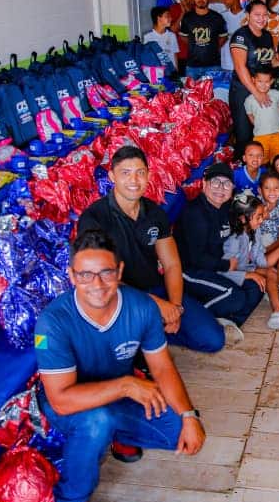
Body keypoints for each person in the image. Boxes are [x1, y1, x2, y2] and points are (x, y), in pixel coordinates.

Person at [36, 229, 204, 502]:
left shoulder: (140, 306)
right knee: (96, 421)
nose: (97, 285)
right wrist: (128, 385)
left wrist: (189, 414)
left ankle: (118, 433)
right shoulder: (53, 321)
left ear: (120, 272)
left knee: (175, 431)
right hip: (72, 403)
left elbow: (163, 366)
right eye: (85, 274)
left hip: (115, 389)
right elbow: (61, 400)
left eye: (106, 273)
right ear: (71, 276)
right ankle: (72, 500)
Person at [78, 146, 225, 354]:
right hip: (119, 298)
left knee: (213, 339)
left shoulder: (154, 213)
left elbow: (172, 264)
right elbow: (100, 280)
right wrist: (157, 305)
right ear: (112, 176)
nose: (134, 180)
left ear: (148, 175)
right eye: (125, 173)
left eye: (140, 173)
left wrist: (175, 307)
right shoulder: (94, 218)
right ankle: (147, 335)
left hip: (156, 288)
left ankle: (154, 332)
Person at [175, 162, 265, 342]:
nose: (220, 188)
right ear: (204, 184)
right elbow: (196, 259)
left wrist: (245, 271)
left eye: (226, 184)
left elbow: (247, 220)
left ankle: (229, 324)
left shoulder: (227, 208)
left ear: (232, 188)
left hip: (218, 266)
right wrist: (229, 267)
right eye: (215, 182)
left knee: (257, 287)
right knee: (235, 297)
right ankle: (193, 321)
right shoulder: (195, 214)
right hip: (190, 271)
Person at [223, 192, 279, 331]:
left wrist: (266, 263)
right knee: (269, 272)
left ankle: (277, 311)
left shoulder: (254, 230)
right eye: (258, 217)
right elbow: (224, 270)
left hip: (249, 266)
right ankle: (276, 304)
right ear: (243, 219)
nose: (262, 220)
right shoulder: (233, 240)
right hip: (238, 271)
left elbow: (258, 257)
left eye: (262, 216)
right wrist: (249, 275)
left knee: (276, 264)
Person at [229, 0, 275, 158]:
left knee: (261, 131)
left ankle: (259, 168)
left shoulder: (267, 36)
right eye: (257, 14)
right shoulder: (240, 36)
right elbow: (241, 68)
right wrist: (256, 93)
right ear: (248, 15)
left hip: (262, 89)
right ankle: (241, 169)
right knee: (244, 134)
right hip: (243, 90)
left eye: (265, 15)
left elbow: (270, 62)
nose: (262, 18)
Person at [178, 0, 228, 80]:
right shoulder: (187, 18)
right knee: (191, 93)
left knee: (215, 93)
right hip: (192, 67)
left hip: (213, 66)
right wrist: (194, 44)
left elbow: (223, 37)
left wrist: (213, 46)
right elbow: (183, 37)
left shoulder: (217, 18)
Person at [244, 68, 279, 162]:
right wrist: (261, 126)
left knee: (277, 158)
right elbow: (250, 116)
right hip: (260, 136)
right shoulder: (249, 100)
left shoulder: (276, 94)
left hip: (277, 134)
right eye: (260, 81)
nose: (263, 85)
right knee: (262, 160)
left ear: (272, 81)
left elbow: (278, 110)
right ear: (253, 80)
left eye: (267, 81)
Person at [218, 0, 247, 71]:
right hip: (225, 62)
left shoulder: (247, 16)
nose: (223, 1)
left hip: (242, 63)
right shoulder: (222, 16)